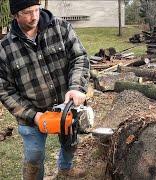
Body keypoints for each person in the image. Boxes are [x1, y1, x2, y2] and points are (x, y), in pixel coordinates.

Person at [0, 0, 90, 179]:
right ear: (15, 15)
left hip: (66, 106)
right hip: (31, 113)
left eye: (36, 10)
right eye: (27, 12)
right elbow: (4, 90)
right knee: (34, 156)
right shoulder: (4, 49)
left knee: (70, 144)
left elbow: (79, 57)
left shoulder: (61, 28)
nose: (34, 16)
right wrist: (33, 115)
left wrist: (77, 87)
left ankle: (65, 170)